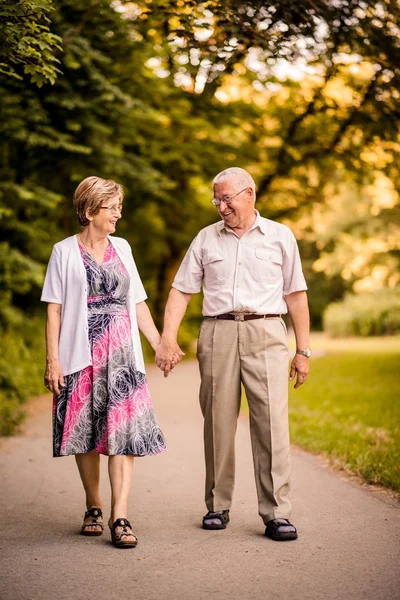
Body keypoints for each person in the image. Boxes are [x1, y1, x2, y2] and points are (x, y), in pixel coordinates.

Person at [155, 167, 310, 541]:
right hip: (217, 332)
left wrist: (303, 350)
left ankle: (277, 513)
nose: (221, 206)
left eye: (227, 198)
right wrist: (167, 338)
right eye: (216, 199)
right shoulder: (206, 239)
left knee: (272, 422)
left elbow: (296, 295)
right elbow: (180, 290)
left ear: (249, 194)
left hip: (267, 332)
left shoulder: (280, 236)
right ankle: (217, 505)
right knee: (218, 423)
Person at [41, 176, 169, 548]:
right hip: (80, 352)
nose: (118, 214)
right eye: (112, 207)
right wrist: (53, 360)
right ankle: (93, 504)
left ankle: (120, 514)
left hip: (122, 355)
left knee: (123, 434)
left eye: (118, 207)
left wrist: (159, 343)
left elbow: (139, 301)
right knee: (85, 431)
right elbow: (54, 309)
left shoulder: (123, 247)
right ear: (90, 210)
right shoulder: (63, 251)